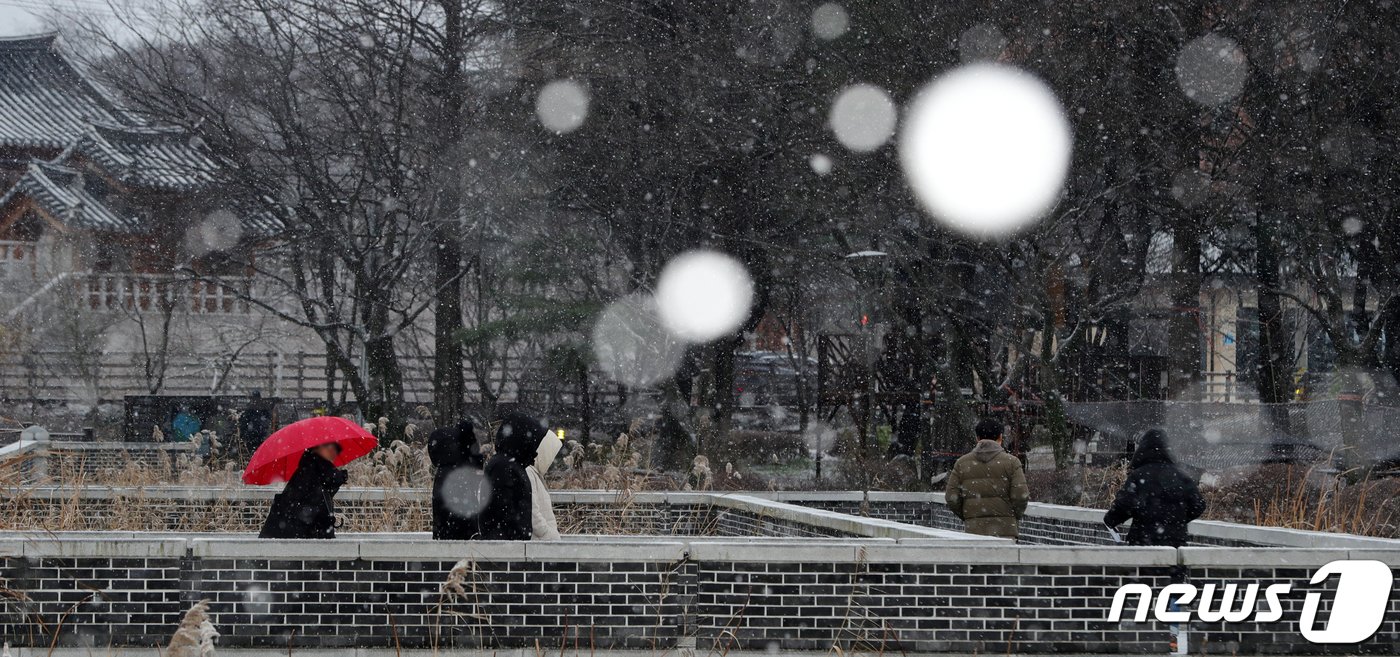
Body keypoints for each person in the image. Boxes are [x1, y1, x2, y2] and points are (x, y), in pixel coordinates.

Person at [1104, 428, 1206, 547]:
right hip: (1175, 545)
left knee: (1144, 565)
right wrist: (1176, 520)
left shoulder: (1139, 476)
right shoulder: (1180, 476)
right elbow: (1198, 505)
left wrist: (1111, 519)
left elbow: (1125, 504)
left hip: (1143, 543)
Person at [477, 412, 560, 540]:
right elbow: (512, 513)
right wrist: (549, 536)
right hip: (512, 551)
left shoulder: (509, 465)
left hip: (513, 550)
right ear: (523, 439)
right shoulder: (507, 468)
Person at [945, 417, 1030, 539]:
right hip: (1006, 532)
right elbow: (1021, 495)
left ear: (977, 438)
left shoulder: (962, 463)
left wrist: (969, 516)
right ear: (1000, 437)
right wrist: (1012, 516)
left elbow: (951, 498)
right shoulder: (1012, 462)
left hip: (974, 533)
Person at [258, 443, 348, 539]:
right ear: (315, 449)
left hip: (296, 538)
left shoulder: (315, 469)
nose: (333, 450)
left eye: (336, 448)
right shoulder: (313, 470)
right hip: (300, 539)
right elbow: (305, 506)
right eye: (327, 446)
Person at [427, 419, 486, 540]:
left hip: (447, 544)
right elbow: (464, 515)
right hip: (459, 546)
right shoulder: (456, 477)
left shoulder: (444, 473)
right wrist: (476, 536)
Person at [527, 427, 563, 540]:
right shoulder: (529, 473)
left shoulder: (535, 474)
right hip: (540, 544)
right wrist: (548, 534)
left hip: (542, 544)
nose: (551, 461)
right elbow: (533, 513)